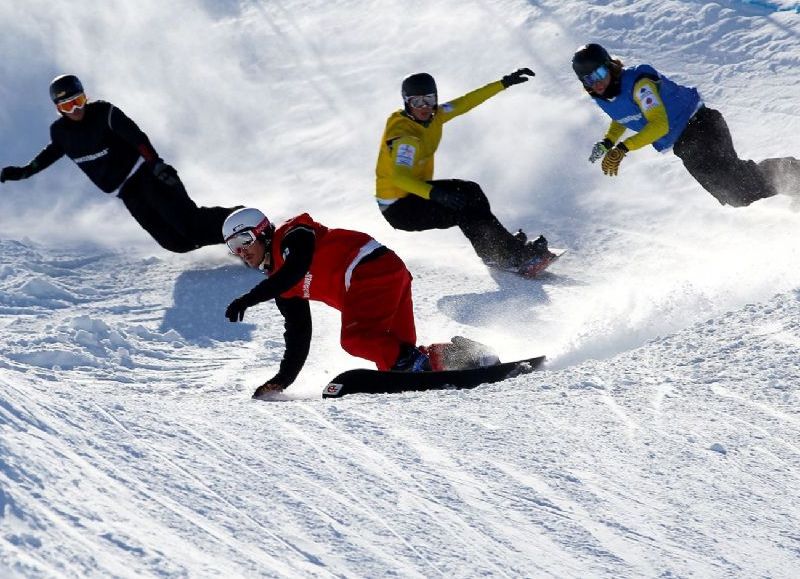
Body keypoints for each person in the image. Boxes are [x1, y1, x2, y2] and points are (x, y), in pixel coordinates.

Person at [0, 74, 239, 252]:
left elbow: (137, 137)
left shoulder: (104, 113)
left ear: (86, 97)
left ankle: (244, 226)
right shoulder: (61, 133)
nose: (75, 109)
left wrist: (155, 164)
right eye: (67, 106)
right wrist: (23, 173)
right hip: (127, 192)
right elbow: (47, 156)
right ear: (58, 109)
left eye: (79, 101)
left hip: (148, 175)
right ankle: (234, 236)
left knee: (190, 225)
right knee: (177, 243)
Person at [222, 207, 433, 397]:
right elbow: (299, 334)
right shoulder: (280, 284)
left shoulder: (292, 233)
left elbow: (296, 268)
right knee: (396, 354)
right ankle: (443, 359)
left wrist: (249, 299)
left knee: (356, 339)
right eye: (233, 246)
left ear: (263, 231)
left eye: (244, 240)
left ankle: (416, 363)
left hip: (370, 268)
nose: (241, 252)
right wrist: (282, 381)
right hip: (388, 275)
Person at [573, 43, 800, 207]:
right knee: (733, 195)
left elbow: (659, 125)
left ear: (609, 65)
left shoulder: (640, 86)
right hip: (685, 144)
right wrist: (608, 141)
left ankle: (795, 176)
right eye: (589, 79)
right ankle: (792, 182)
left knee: (738, 186)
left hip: (700, 127)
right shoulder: (606, 95)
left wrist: (623, 149)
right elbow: (623, 115)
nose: (598, 82)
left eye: (600, 73)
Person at [375, 69, 557, 274]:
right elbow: (399, 177)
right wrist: (436, 194)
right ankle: (508, 256)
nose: (424, 107)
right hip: (400, 209)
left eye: (429, 99)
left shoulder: (436, 115)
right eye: (417, 102)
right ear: (407, 103)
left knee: (470, 191)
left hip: (414, 194)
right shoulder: (404, 137)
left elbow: (465, 102)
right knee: (462, 206)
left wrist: (503, 83)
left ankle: (500, 247)